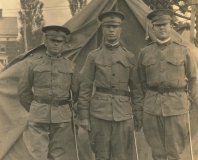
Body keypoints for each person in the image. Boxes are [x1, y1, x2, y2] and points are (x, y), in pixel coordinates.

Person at [77, 11, 143, 160]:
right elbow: (85, 87)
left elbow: (136, 89)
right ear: (103, 29)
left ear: (120, 30)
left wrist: (138, 114)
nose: (111, 30)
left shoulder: (129, 57)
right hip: (99, 114)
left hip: (123, 114)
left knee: (121, 155)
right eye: (107, 27)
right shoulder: (93, 56)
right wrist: (84, 116)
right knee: (101, 155)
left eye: (114, 27)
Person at [138, 9, 198, 160]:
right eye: (158, 25)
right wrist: (148, 99)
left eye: (165, 24)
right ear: (153, 28)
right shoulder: (145, 52)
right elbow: (141, 81)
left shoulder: (183, 50)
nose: (162, 28)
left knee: (174, 152)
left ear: (171, 26)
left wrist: (188, 100)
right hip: (152, 109)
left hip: (177, 107)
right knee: (157, 151)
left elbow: (194, 79)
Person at [18, 25, 79, 160]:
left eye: (60, 42)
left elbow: (76, 93)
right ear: (45, 42)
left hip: (62, 118)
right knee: (37, 154)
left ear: (64, 43)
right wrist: (36, 108)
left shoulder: (70, 66)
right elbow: (23, 92)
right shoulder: (33, 64)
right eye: (53, 41)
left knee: (59, 155)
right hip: (38, 116)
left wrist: (68, 110)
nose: (56, 44)